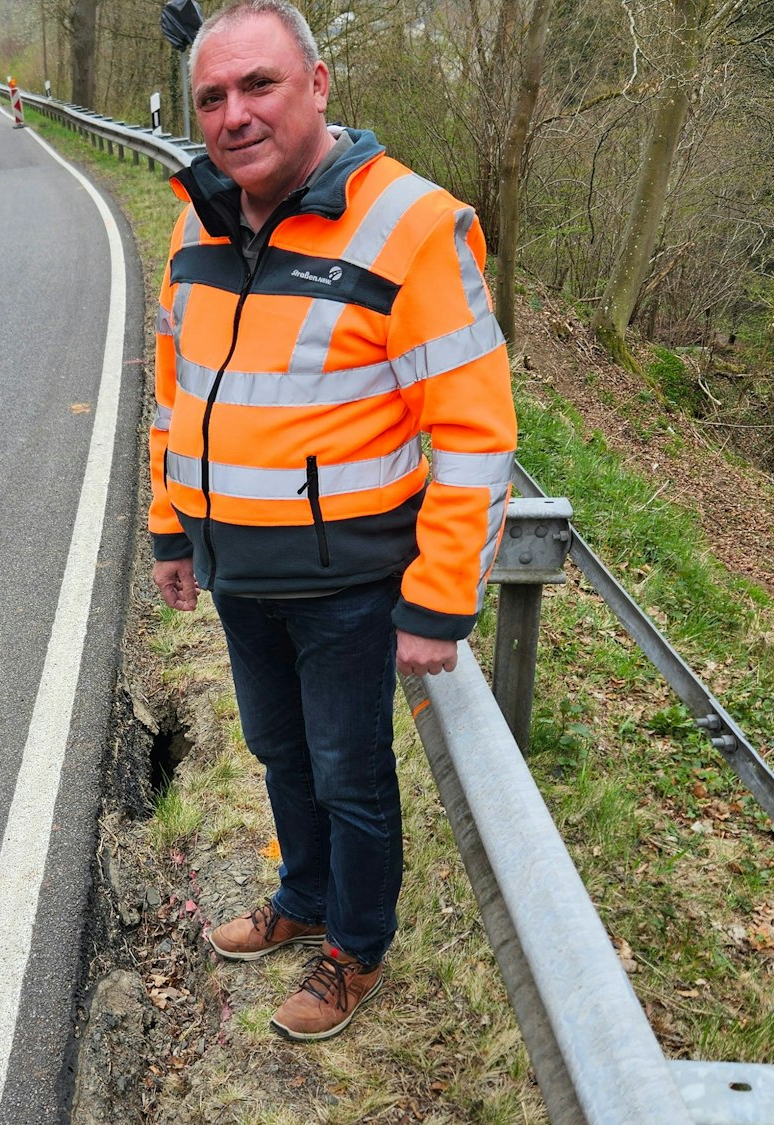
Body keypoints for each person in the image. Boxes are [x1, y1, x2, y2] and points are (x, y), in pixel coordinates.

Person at [148, 0, 517, 1041]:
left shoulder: (411, 225)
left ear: (316, 85)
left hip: (351, 584)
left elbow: (476, 435)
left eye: (258, 85)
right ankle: (299, 898)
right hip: (237, 572)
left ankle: (353, 950)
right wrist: (170, 527)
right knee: (276, 751)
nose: (233, 114)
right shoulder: (196, 218)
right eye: (212, 96)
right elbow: (178, 394)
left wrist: (439, 603)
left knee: (350, 773)